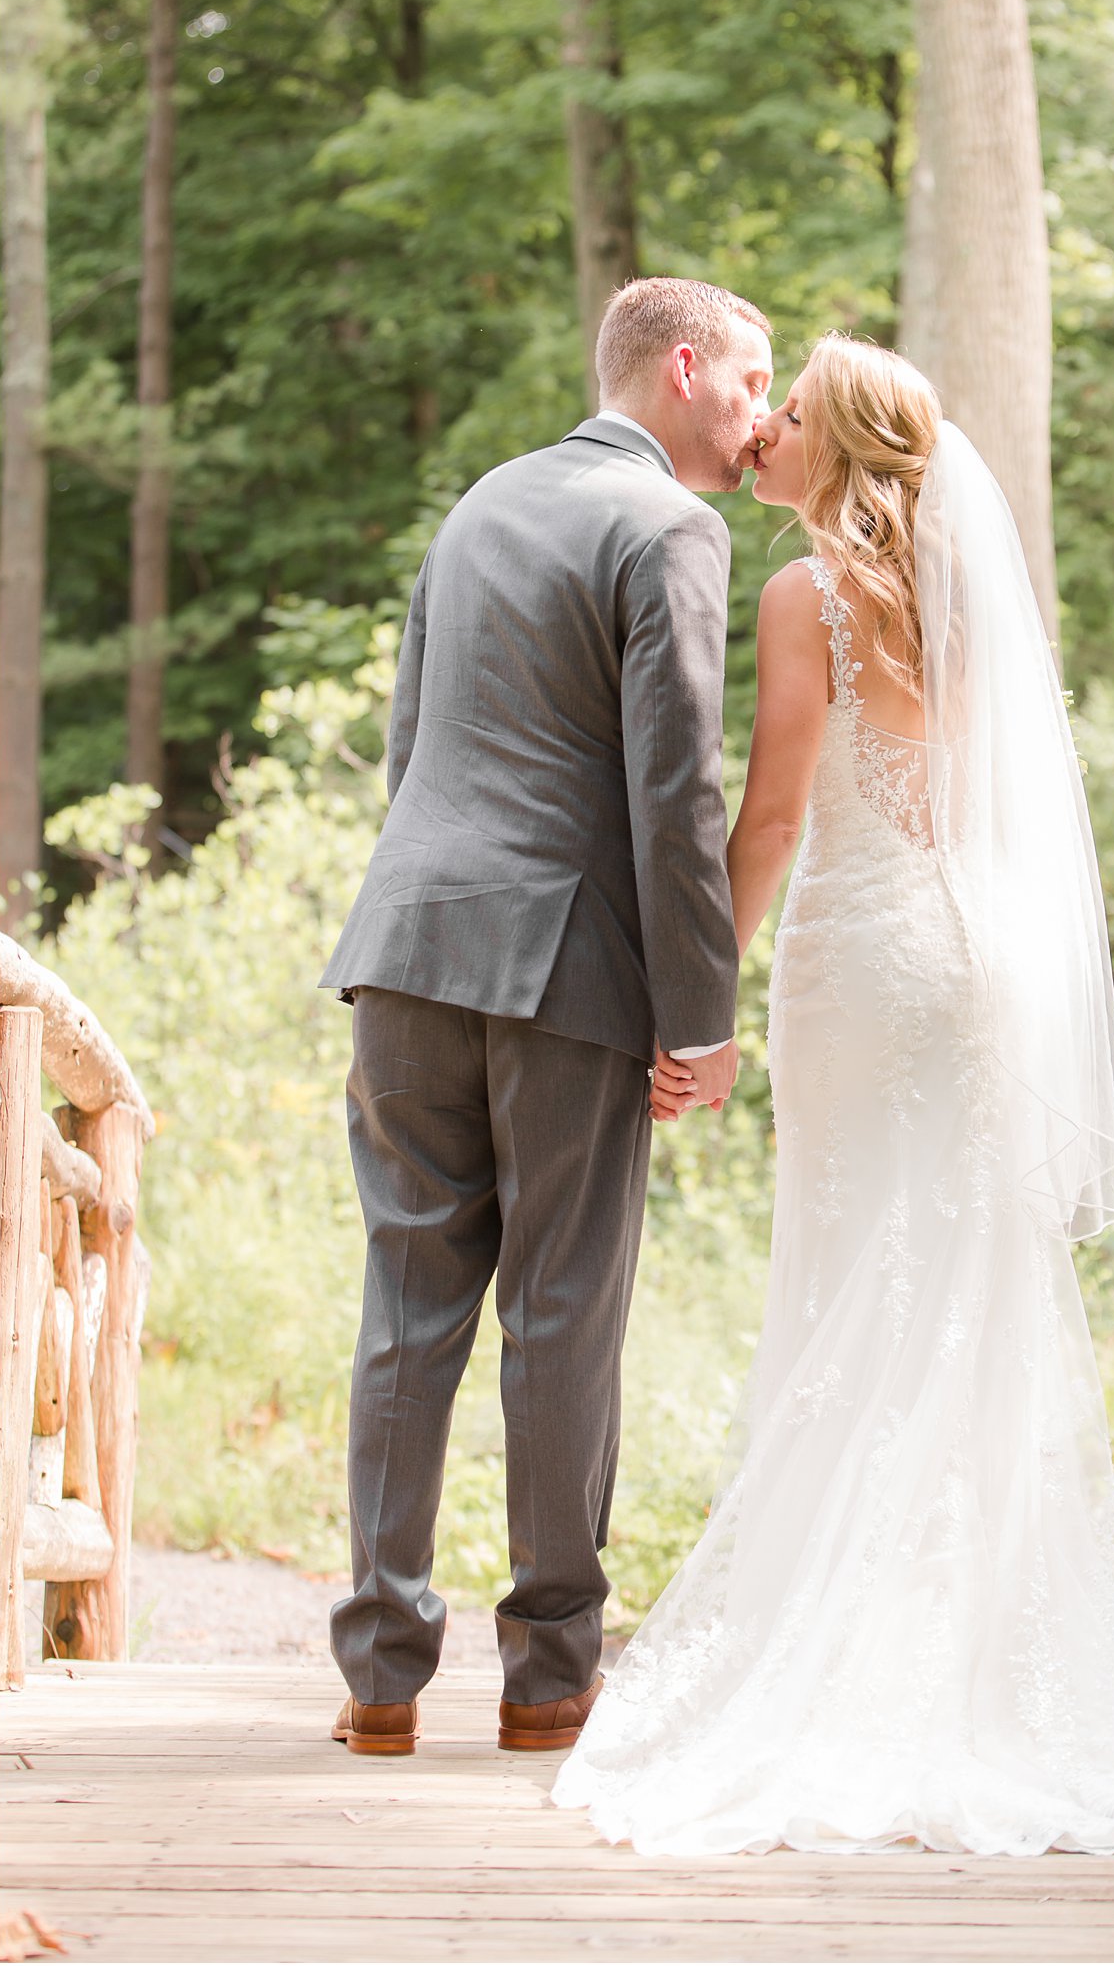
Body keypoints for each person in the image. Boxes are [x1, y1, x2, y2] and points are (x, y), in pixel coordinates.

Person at [554, 335, 1114, 1856]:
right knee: (967, 1300)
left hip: (867, 973)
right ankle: (977, 1668)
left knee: (849, 1295)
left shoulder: (807, 599)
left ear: (844, 446)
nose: (766, 434)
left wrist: (700, 1005)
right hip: (981, 973)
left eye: (788, 415)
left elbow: (777, 819)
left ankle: (850, 1660)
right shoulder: (963, 600)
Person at [319, 277, 772, 1756]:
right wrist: (698, 1013)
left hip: (403, 948)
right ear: (686, 366)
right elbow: (677, 787)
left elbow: (411, 745)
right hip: (564, 971)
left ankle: (380, 1673)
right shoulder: (669, 529)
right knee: (563, 1313)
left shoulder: (478, 507)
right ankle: (548, 1676)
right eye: (753, 383)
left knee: (407, 1305)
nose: (761, 421)